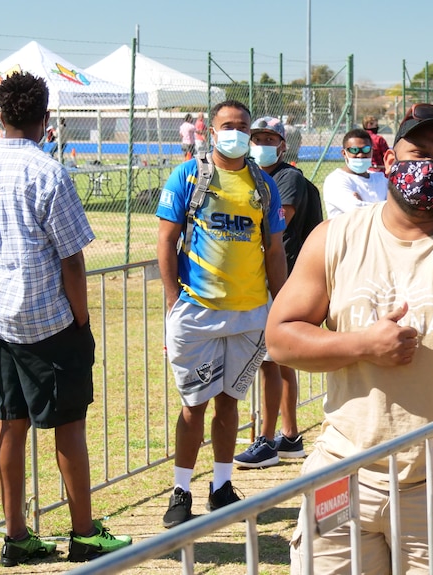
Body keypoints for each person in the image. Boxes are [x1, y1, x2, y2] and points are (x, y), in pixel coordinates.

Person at [266, 102, 433, 573]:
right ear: (388, 161)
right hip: (341, 468)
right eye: (416, 153)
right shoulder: (334, 238)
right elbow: (281, 338)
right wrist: (363, 345)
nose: (429, 167)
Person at [0, 71, 132, 565]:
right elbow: (72, 260)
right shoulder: (48, 172)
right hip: (48, 317)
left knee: (11, 423)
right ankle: (83, 533)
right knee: (69, 424)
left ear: (2, 113)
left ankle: (15, 535)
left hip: (1, 319)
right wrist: (82, 318)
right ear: (46, 119)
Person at [156, 100, 287, 528]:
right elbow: (166, 239)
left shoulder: (264, 187)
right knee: (194, 406)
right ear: (211, 132)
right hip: (197, 311)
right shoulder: (188, 176)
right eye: (228, 126)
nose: (237, 133)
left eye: (243, 127)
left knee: (230, 404)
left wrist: (281, 304)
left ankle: (222, 486)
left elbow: (274, 250)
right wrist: (173, 300)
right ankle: (181, 491)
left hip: (249, 315)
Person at [234, 116, 322, 469]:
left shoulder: (287, 178)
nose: (263, 143)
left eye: (271, 138)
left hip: (281, 279)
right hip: (261, 278)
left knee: (270, 359)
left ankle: (267, 440)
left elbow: (278, 219)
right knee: (279, 361)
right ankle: (290, 436)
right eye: (258, 137)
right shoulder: (252, 175)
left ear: (283, 144)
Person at [323, 128, 388, 218]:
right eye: (354, 150)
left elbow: (398, 209)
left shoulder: (381, 179)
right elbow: (357, 212)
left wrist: (363, 206)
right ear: (344, 153)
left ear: (372, 151)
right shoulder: (335, 180)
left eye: (366, 149)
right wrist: (385, 206)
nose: (360, 154)